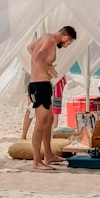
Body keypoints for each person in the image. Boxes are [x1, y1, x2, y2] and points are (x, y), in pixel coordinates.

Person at [26, 25, 77, 169]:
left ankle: (48, 155)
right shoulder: (50, 41)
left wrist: (45, 65)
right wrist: (50, 69)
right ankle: (37, 161)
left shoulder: (45, 37)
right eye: (69, 43)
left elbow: (30, 48)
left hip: (43, 85)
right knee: (41, 123)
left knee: (48, 120)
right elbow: (37, 60)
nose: (66, 46)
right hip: (39, 86)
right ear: (66, 37)